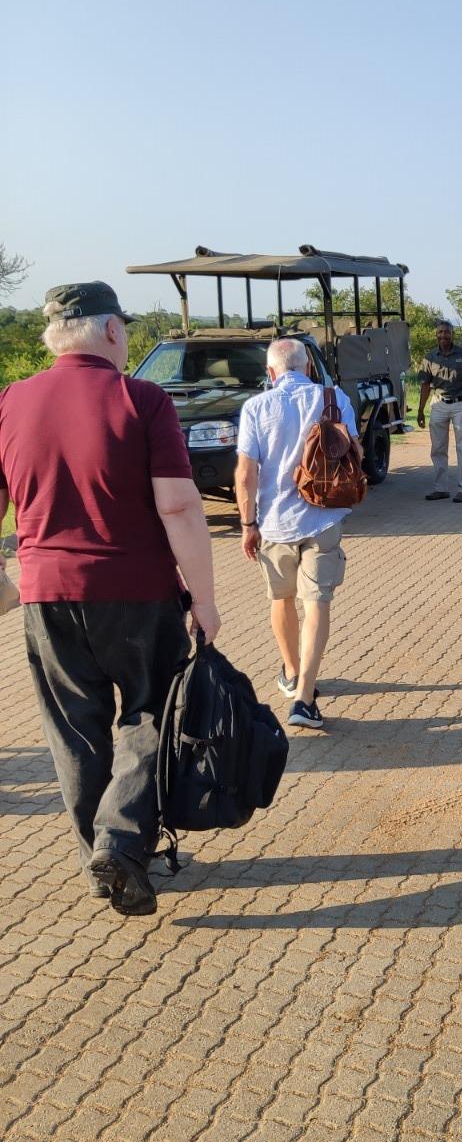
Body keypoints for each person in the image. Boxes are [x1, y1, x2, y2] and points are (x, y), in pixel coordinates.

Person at [0, 283, 220, 917]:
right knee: (150, 715)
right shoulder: (141, 398)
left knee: (74, 731)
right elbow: (178, 504)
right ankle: (122, 848)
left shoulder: (10, 401)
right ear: (114, 332)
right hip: (138, 593)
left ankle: (99, 855)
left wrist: (7, 586)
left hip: (46, 595)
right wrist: (203, 599)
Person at [235, 337, 357, 730]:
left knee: (281, 598)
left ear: (270, 373)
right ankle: (305, 696)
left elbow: (245, 474)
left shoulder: (255, 407)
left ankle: (290, 671)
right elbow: (353, 448)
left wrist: (247, 524)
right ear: (307, 368)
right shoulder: (333, 397)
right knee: (317, 601)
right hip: (323, 517)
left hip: (274, 522)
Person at [416, 319, 462, 502]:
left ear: (452, 334)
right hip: (438, 404)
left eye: (447, 332)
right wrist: (420, 410)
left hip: (460, 405)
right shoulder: (430, 357)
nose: (443, 335)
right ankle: (440, 488)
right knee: (437, 448)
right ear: (436, 335)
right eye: (440, 332)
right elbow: (425, 386)